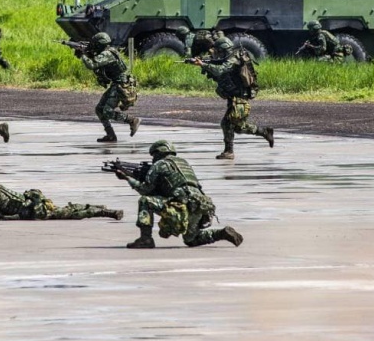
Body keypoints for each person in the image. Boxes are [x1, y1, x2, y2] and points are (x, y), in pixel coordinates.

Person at [113, 140, 243, 249]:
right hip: (199, 204)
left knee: (145, 201)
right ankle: (221, 233)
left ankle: (145, 239)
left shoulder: (159, 164)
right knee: (191, 239)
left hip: (180, 204)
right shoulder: (183, 163)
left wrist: (127, 178)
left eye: (154, 155)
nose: (153, 159)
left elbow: (145, 190)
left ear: (159, 152)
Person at [190, 38, 274, 160]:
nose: (217, 53)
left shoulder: (233, 59)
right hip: (234, 96)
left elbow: (221, 70)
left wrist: (202, 64)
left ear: (223, 49)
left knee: (227, 123)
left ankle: (229, 152)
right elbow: (218, 65)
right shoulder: (229, 57)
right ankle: (264, 132)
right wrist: (202, 62)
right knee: (238, 127)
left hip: (240, 97)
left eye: (218, 51)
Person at [0, 170, 123, 221]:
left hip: (36, 210)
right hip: (30, 210)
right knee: (70, 210)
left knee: (72, 213)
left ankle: (105, 212)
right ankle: (100, 209)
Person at [75, 31, 140, 142]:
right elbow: (95, 61)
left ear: (100, 44)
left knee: (107, 111)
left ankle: (132, 120)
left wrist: (83, 55)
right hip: (117, 84)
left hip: (121, 85)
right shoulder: (106, 52)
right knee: (99, 109)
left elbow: (92, 64)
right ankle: (110, 135)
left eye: (95, 44)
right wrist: (86, 53)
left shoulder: (107, 54)